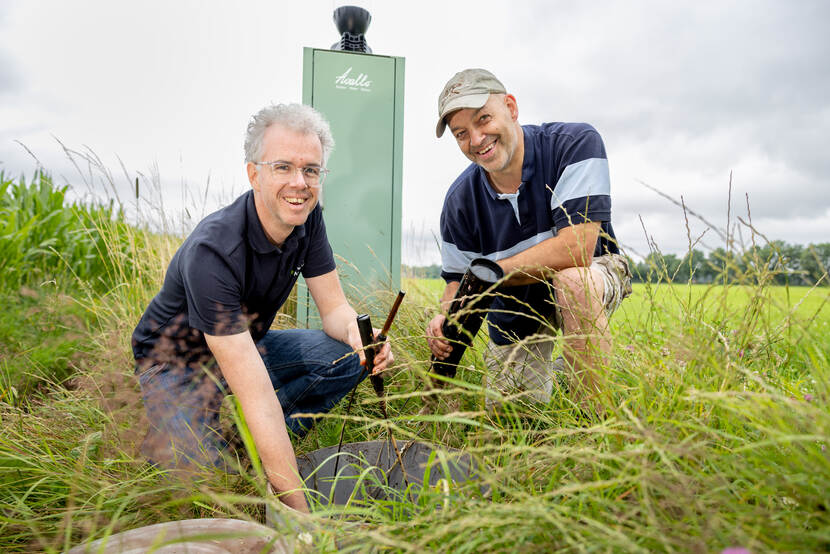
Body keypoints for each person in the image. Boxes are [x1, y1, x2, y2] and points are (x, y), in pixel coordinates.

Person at [131, 103, 392, 512]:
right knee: (211, 482)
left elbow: (335, 309)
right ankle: (193, 433)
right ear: (254, 173)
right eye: (283, 167)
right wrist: (301, 515)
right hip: (175, 363)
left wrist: (361, 338)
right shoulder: (213, 251)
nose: (299, 183)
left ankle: (258, 442)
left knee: (347, 358)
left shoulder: (308, 220)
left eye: (311, 170)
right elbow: (255, 393)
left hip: (246, 347)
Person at [425, 69, 631, 413]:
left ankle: (593, 427)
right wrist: (445, 316)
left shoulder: (574, 143)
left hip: (592, 271)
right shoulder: (460, 200)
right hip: (514, 301)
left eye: (484, 119)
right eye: (461, 133)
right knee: (513, 419)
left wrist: (492, 272)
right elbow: (458, 281)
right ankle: (547, 380)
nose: (476, 139)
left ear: (511, 107)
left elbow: (576, 249)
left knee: (574, 282)